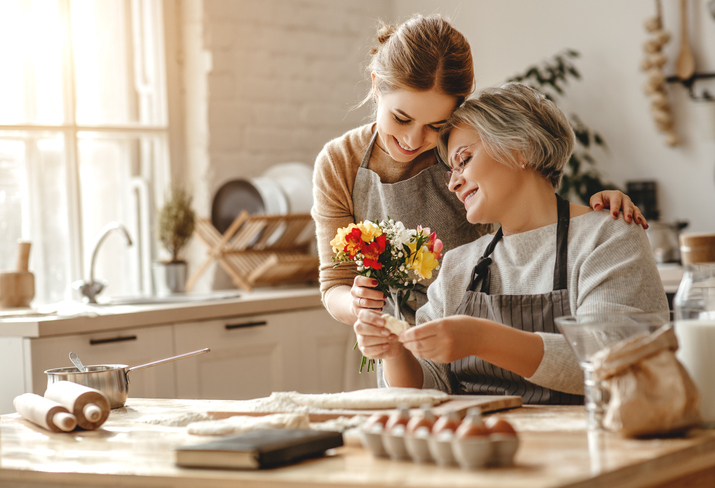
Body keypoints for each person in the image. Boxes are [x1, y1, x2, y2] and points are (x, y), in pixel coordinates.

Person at [312, 14, 646, 335]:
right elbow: (334, 284)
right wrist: (360, 305)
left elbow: (530, 220)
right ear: (376, 87)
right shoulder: (340, 163)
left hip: (481, 336)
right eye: (401, 118)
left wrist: (593, 216)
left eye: (435, 125)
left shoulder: (467, 149)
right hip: (399, 346)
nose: (413, 140)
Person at [354, 82, 669, 403]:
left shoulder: (607, 236)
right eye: (451, 170)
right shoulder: (458, 265)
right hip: (482, 446)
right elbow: (429, 387)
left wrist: (482, 338)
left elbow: (612, 360)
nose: (453, 182)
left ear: (521, 148)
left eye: (464, 159)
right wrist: (394, 353)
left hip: (587, 444)